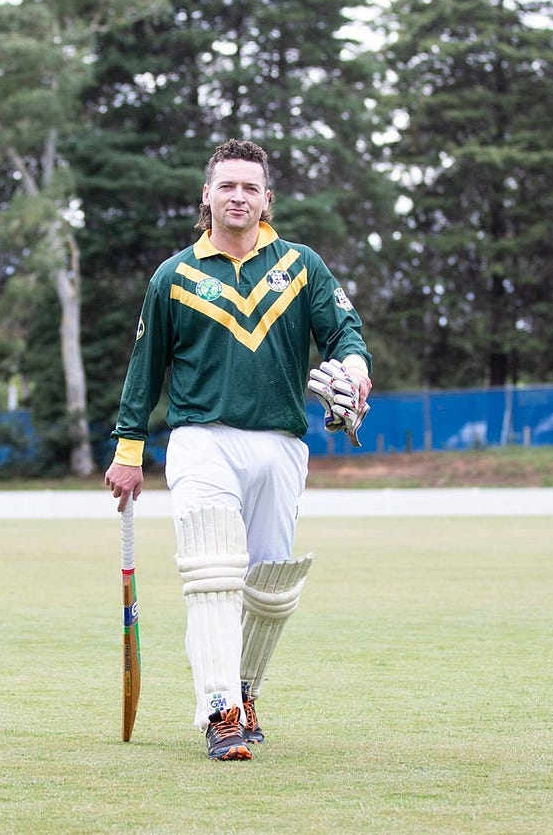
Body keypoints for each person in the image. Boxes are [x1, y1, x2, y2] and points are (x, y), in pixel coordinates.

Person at [103, 138, 372, 761]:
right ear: (207, 195)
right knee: (212, 573)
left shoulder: (301, 265)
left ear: (267, 198)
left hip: (280, 442)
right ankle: (219, 711)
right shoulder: (175, 276)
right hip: (201, 439)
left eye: (250, 187)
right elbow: (145, 370)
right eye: (227, 185)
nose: (238, 196)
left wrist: (353, 369)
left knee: (269, 586)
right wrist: (128, 450)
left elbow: (344, 331)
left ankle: (245, 691)